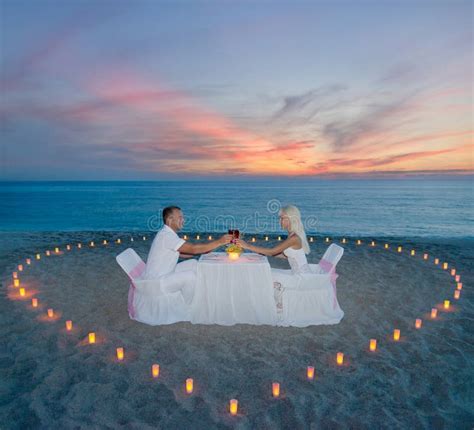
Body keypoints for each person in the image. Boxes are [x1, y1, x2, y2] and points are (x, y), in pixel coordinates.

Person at [144, 206, 232, 303]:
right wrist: (219, 241)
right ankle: (189, 306)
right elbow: (193, 249)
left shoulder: (167, 234)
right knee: (190, 277)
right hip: (157, 281)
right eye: (180, 217)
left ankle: (200, 293)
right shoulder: (167, 236)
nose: (183, 220)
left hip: (165, 272)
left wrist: (203, 250)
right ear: (170, 220)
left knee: (193, 263)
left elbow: (183, 253)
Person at [236, 205, 311, 315]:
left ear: (291, 219)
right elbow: (285, 256)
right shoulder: (292, 234)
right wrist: (261, 253)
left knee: (264, 276)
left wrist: (248, 246)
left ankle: (273, 306)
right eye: (280, 218)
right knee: (266, 273)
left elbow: (272, 251)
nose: (280, 221)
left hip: (300, 277)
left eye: (282, 218)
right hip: (297, 272)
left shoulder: (294, 238)